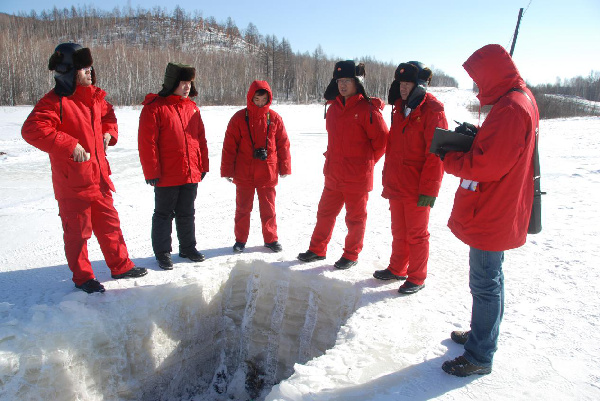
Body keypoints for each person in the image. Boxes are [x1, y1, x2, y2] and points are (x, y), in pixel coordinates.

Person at [435, 44, 539, 376]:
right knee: (490, 278)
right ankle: (482, 334)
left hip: (493, 208)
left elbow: (488, 165)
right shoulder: (519, 100)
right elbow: (502, 148)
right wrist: (478, 137)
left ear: (492, 74)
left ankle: (480, 354)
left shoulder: (511, 107)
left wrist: (450, 158)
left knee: (485, 282)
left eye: (479, 79)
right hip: (500, 205)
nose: (478, 86)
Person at [21, 42, 147, 294]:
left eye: (90, 67)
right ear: (68, 71)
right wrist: (69, 144)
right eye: (83, 68)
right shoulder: (54, 102)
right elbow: (32, 130)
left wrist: (108, 133)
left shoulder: (95, 98)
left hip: (99, 178)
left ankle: (121, 266)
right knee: (78, 234)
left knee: (110, 226)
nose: (89, 71)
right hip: (73, 183)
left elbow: (109, 116)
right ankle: (83, 277)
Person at [297, 60, 389, 269]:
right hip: (333, 174)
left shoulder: (368, 110)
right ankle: (317, 250)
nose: (343, 85)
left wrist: (365, 163)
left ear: (357, 82)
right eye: (339, 81)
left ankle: (351, 255)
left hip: (357, 177)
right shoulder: (333, 109)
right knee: (324, 213)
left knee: (355, 219)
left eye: (347, 80)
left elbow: (382, 142)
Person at [373, 62, 448, 294]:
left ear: (420, 85)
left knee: (416, 234)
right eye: (401, 83)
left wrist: (430, 189)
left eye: (408, 84)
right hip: (397, 181)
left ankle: (416, 277)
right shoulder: (400, 108)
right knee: (399, 230)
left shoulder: (432, 110)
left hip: (418, 186)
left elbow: (436, 154)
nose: (403, 88)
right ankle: (397, 268)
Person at [138, 62, 209, 270]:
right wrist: (151, 171)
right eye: (182, 83)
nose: (187, 87)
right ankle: (162, 253)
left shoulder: (192, 108)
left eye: (189, 83)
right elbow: (147, 142)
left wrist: (203, 165)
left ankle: (188, 248)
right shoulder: (155, 108)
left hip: (190, 170)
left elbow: (200, 139)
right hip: (166, 173)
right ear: (172, 83)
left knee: (187, 212)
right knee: (164, 214)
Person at [221, 80, 291, 253]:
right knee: (242, 209)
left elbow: (283, 144)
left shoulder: (274, 118)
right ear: (250, 98)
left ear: (269, 99)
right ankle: (240, 240)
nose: (260, 103)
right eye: (257, 99)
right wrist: (227, 170)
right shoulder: (239, 118)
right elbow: (229, 146)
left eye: (264, 100)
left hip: (267, 172)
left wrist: (285, 167)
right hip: (244, 173)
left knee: (269, 209)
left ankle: (271, 239)